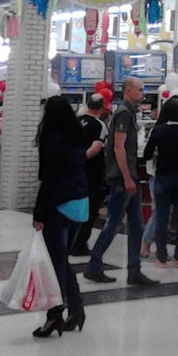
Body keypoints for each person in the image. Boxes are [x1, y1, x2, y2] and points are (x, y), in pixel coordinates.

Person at [85, 77, 159, 287]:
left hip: (129, 175)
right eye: (140, 89)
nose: (143, 93)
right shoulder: (124, 113)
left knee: (136, 224)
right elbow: (119, 147)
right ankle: (93, 266)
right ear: (128, 90)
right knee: (114, 223)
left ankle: (134, 270)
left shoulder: (126, 112)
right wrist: (126, 177)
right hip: (122, 177)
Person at [32, 96, 94, 337]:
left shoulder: (53, 140)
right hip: (80, 203)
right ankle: (76, 310)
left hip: (60, 205)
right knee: (61, 260)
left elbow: (49, 179)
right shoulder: (78, 137)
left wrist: (38, 213)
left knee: (55, 264)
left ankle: (54, 316)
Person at [142, 97, 178, 268]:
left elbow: (146, 154)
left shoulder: (159, 130)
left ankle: (161, 258)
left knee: (162, 218)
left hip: (164, 176)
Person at [71, 94, 109, 257]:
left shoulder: (76, 121)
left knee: (75, 208)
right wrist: (82, 159)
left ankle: (70, 241)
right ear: (101, 107)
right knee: (91, 210)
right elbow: (95, 148)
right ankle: (80, 244)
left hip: (74, 174)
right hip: (92, 174)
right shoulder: (99, 125)